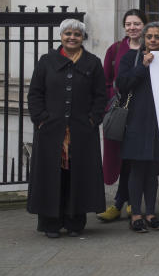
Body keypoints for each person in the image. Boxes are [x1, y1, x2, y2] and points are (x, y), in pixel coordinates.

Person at [27, 19, 107, 238]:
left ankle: (74, 222)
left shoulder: (92, 63)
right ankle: (50, 223)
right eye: (68, 33)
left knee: (77, 176)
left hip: (82, 131)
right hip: (50, 131)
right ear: (61, 36)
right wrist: (41, 119)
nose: (72, 37)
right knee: (51, 176)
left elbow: (101, 96)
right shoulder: (46, 62)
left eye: (77, 34)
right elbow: (35, 93)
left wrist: (93, 119)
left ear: (83, 38)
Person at [116, 21, 159, 233]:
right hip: (137, 122)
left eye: (158, 37)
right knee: (137, 169)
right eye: (149, 37)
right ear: (143, 39)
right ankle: (136, 214)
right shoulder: (132, 58)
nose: (153, 40)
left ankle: (151, 213)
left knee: (152, 171)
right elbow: (121, 83)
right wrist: (143, 67)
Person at [97, 9, 147, 223]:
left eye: (137, 23)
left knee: (135, 158)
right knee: (121, 157)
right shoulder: (115, 49)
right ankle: (122, 202)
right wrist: (113, 97)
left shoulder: (151, 48)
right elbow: (105, 79)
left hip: (144, 112)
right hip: (120, 111)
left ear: (144, 25)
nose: (132, 27)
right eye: (128, 24)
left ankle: (126, 202)